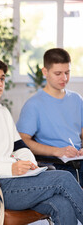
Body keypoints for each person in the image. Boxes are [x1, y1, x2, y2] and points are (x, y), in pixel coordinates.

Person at [0, 57, 83, 224]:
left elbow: (19, 146)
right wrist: (10, 168)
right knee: (63, 178)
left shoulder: (2, 112)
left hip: (15, 181)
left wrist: (28, 162)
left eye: (2, 78)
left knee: (62, 204)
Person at [16, 48, 83, 186]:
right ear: (45, 72)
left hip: (79, 160)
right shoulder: (34, 104)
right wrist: (58, 151)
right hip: (56, 165)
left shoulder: (77, 99)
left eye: (67, 72)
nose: (64, 78)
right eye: (58, 73)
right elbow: (22, 141)